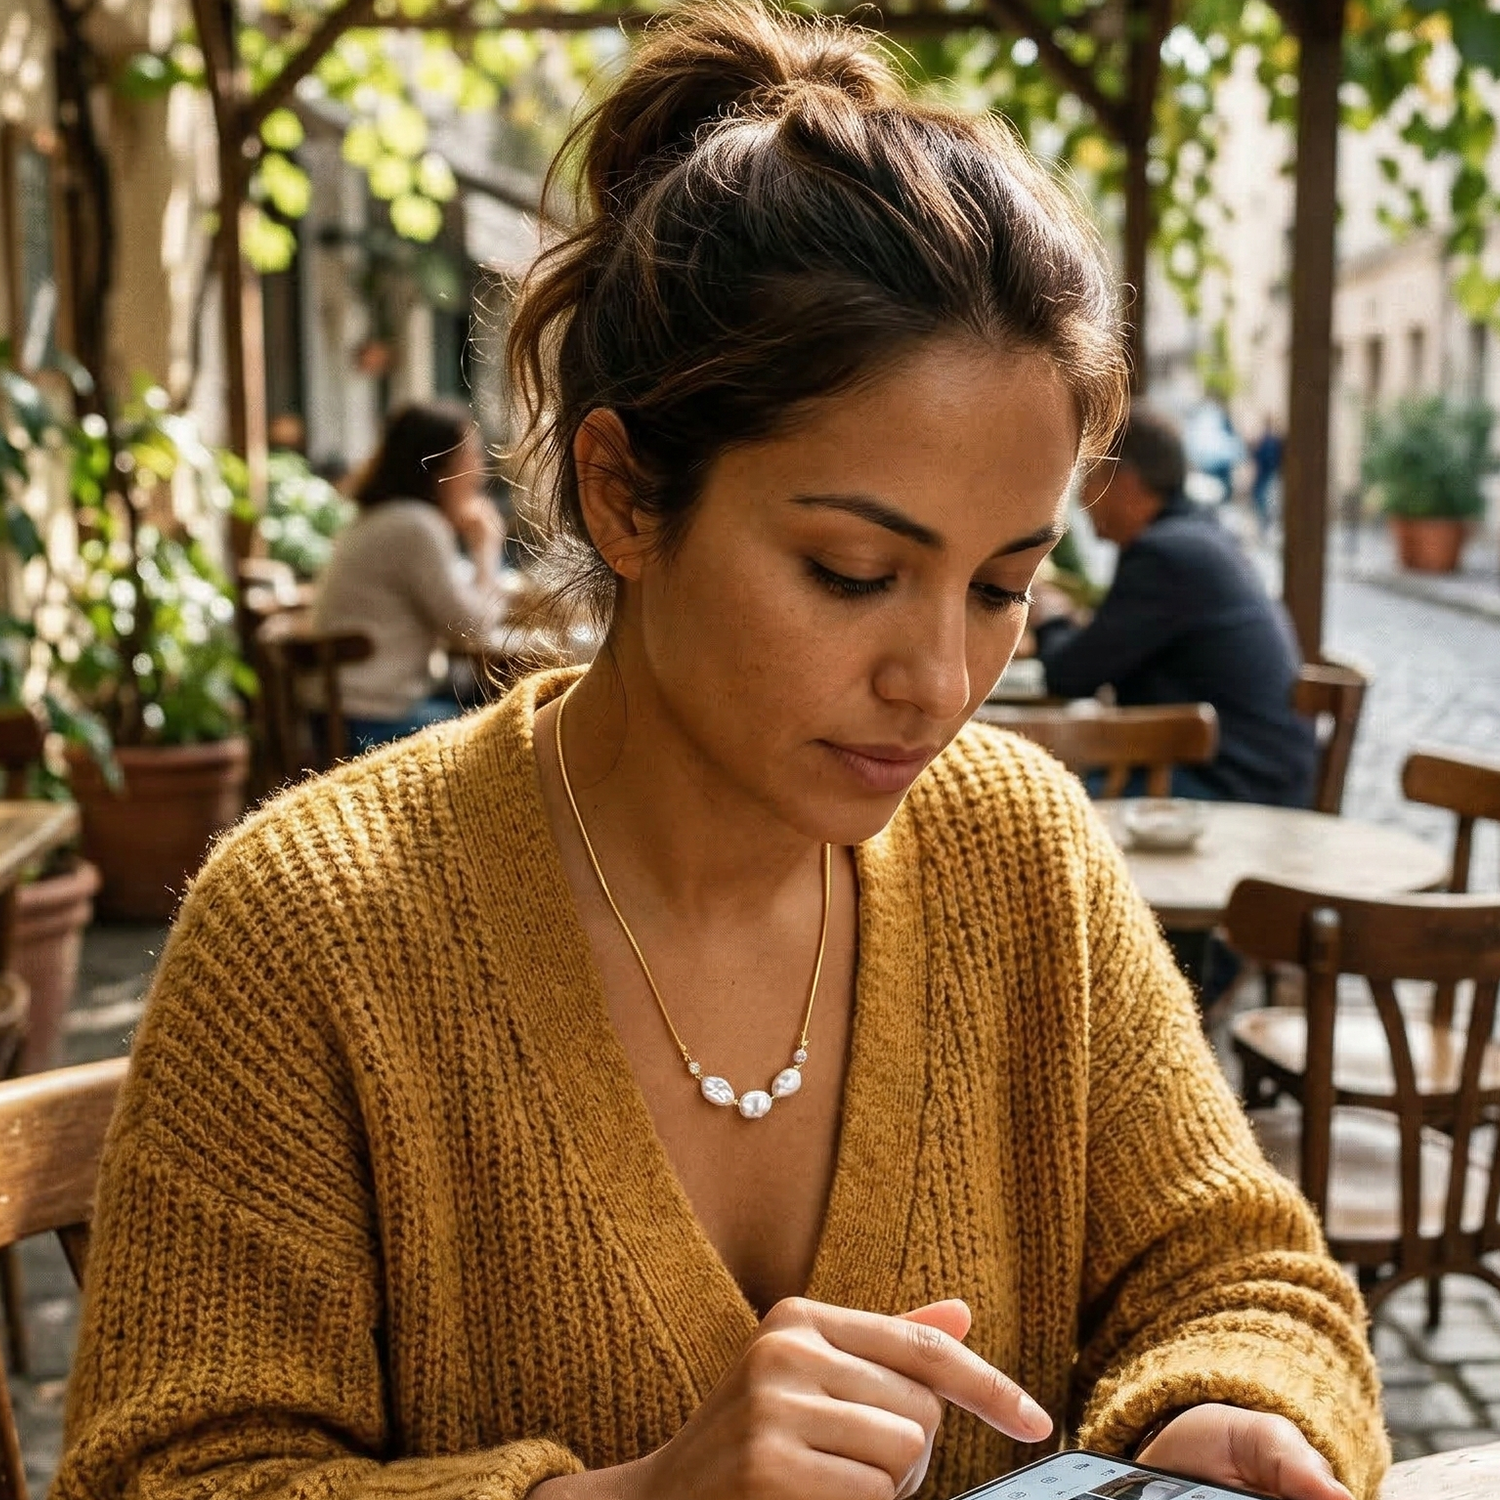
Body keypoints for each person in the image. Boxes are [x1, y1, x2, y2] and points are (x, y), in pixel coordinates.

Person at [54, 8, 1385, 1500]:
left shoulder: (1021, 853)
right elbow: (169, 1475)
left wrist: (1220, 1412)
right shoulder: (313, 927)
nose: (940, 682)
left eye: (1003, 587)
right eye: (850, 573)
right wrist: (627, 1497)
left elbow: (1244, 1279)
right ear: (623, 496)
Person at [1033, 404, 1317, 807]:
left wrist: (1048, 616)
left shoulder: (1165, 556)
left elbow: (1069, 674)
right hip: (1252, 774)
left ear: (1126, 484)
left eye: (1089, 477)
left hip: (1236, 788)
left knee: (1040, 806)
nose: (1081, 498)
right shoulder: (1197, 538)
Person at [310, 401, 513, 752]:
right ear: (441, 466)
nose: (480, 473)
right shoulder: (415, 525)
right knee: (505, 736)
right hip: (369, 723)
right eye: (472, 457)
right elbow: (473, 630)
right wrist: (486, 547)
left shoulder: (380, 518)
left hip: (339, 713)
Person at [1252, 416, 1285, 535]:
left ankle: (1266, 527)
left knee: (1266, 501)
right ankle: (1265, 527)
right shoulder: (1268, 440)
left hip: (1267, 473)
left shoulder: (1270, 441)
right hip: (1265, 474)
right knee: (1263, 501)